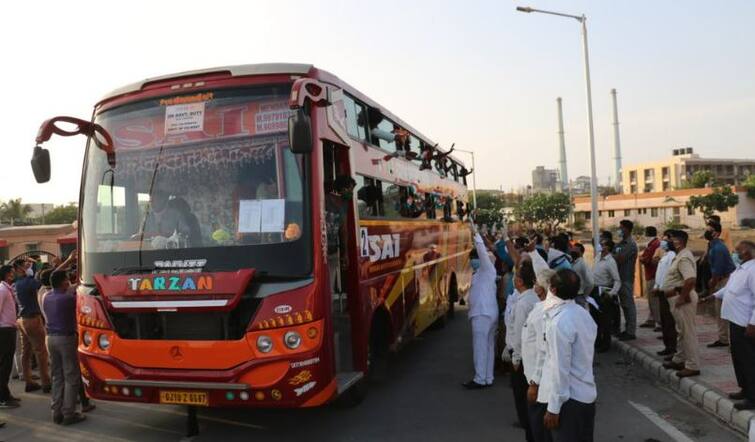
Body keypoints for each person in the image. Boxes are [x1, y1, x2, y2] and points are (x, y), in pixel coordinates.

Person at [538, 269, 598, 441]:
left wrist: (553, 408)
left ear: (553, 290)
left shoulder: (559, 322)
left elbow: (559, 369)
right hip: (586, 397)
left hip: (569, 401)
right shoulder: (583, 314)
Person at [710, 241, 755, 410]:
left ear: (747, 253)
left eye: (737, 251)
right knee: (738, 358)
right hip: (734, 320)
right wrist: (713, 295)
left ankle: (753, 397)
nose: (734, 254)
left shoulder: (753, 270)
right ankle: (745, 388)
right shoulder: (740, 269)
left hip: (746, 323)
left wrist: (753, 324)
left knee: (749, 359)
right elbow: (729, 289)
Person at [44, 270, 86, 425]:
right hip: (65, 338)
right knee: (71, 376)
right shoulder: (68, 299)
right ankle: (69, 412)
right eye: (67, 279)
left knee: (57, 376)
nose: (69, 282)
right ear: (63, 282)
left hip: (50, 338)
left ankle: (56, 411)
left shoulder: (46, 297)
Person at [463, 217, 499, 389]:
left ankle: (479, 379)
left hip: (483, 315)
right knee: (488, 347)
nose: (471, 262)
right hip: (486, 313)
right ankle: (487, 377)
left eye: (472, 259)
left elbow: (482, 254)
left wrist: (476, 235)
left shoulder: (486, 268)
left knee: (480, 347)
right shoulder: (481, 273)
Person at [661, 230, 701, 378]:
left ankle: (692, 365)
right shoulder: (680, 256)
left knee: (687, 332)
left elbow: (690, 279)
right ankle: (679, 359)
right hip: (677, 297)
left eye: (670, 239)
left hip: (682, 298)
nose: (667, 241)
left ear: (678, 241)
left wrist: (682, 297)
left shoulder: (684, 257)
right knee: (681, 331)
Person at [509, 261, 539, 442]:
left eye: (515, 277)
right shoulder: (533, 298)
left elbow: (520, 332)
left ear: (519, 281)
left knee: (522, 397)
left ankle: (530, 430)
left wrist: (516, 358)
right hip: (532, 356)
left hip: (523, 358)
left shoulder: (522, 304)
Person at [522, 266, 553, 442]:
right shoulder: (539, 308)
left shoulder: (543, 312)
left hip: (539, 383)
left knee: (540, 431)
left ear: (540, 288)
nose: (534, 285)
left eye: (536, 283)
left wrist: (535, 383)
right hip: (535, 379)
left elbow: (544, 350)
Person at [12, 259, 51, 393]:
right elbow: (40, 283)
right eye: (25, 266)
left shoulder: (15, 284)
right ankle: (46, 382)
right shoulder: (27, 282)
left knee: (26, 352)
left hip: (22, 320)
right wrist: (31, 274)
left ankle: (29, 381)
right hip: (32, 319)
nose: (28, 267)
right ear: (18, 269)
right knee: (41, 351)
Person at [704, 220, 736, 348]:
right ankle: (723, 338)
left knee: (723, 311)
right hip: (722, 279)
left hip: (724, 281)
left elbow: (717, 271)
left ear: (716, 233)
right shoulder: (714, 246)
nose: (706, 232)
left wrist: (711, 287)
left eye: (709, 230)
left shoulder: (718, 248)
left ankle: (725, 339)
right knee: (721, 311)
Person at [325, 175, 356, 295]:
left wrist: (345, 254)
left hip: (332, 251)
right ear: (342, 188)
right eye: (350, 189)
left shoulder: (344, 204)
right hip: (319, 251)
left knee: (329, 289)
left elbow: (343, 230)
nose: (351, 193)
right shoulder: (324, 199)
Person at [592, 240, 622, 351]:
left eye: (603, 244)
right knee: (595, 319)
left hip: (604, 292)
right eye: (601, 243)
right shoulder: (597, 257)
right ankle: (598, 342)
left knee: (604, 320)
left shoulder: (610, 261)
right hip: (594, 290)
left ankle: (606, 344)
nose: (600, 245)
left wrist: (611, 294)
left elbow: (617, 281)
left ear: (608, 248)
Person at [613, 220, 639, 341]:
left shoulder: (630, 244)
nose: (619, 229)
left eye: (621, 227)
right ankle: (627, 330)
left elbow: (619, 259)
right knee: (624, 305)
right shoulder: (620, 244)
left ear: (627, 229)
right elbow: (614, 255)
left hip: (626, 278)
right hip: (619, 278)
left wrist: (613, 256)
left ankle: (631, 331)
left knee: (629, 305)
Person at [653, 231, 678, 357]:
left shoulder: (673, 256)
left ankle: (672, 348)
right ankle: (667, 346)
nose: (663, 242)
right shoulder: (666, 255)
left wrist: (661, 287)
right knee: (664, 320)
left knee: (669, 321)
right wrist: (656, 286)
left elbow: (669, 275)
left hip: (667, 291)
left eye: (666, 241)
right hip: (661, 290)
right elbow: (660, 274)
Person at [0, 266, 20, 409]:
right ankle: (2, 398)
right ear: (7, 275)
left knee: (6, 364)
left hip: (9, 328)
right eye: (12, 272)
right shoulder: (2, 290)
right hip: (4, 330)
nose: (14, 274)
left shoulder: (7, 289)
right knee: (4, 365)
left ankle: (5, 393)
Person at [638, 226, 661, 329]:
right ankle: (652, 319)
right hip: (650, 274)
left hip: (653, 275)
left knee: (654, 300)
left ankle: (658, 322)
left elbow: (648, 259)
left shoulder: (654, 245)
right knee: (651, 300)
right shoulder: (652, 244)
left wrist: (642, 259)